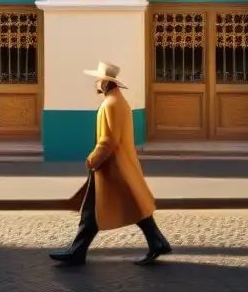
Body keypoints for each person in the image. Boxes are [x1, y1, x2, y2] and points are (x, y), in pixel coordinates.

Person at [50, 62, 172, 267]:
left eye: (99, 80)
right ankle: (157, 242)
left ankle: (77, 253)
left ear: (106, 82)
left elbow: (109, 139)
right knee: (119, 207)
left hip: (112, 167)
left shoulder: (110, 104)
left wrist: (93, 159)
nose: (97, 84)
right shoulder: (119, 102)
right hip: (117, 166)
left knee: (98, 210)